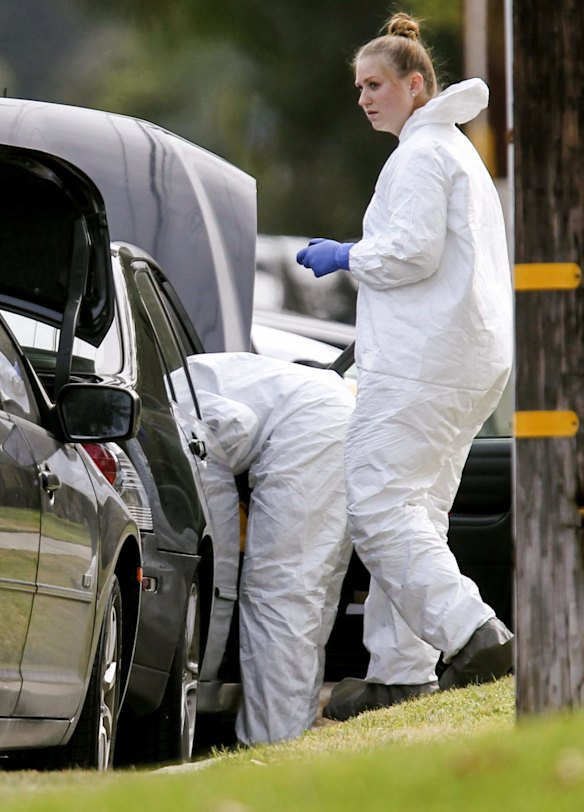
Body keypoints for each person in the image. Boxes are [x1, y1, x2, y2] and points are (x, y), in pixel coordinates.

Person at [297, 12, 514, 721]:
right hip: (463, 357)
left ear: (415, 86)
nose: (364, 97)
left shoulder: (420, 156)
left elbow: (412, 254)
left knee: (379, 505)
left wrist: (346, 255)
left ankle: (474, 633)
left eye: (376, 84)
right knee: (416, 509)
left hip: (426, 364)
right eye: (358, 86)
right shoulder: (453, 153)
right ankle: (400, 673)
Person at [175, 352, 354, 744]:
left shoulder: (170, 402)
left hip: (309, 429)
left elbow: (232, 432)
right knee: (310, 596)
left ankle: (273, 741)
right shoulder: (196, 376)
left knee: (280, 593)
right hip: (332, 419)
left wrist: (205, 666)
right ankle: (293, 731)